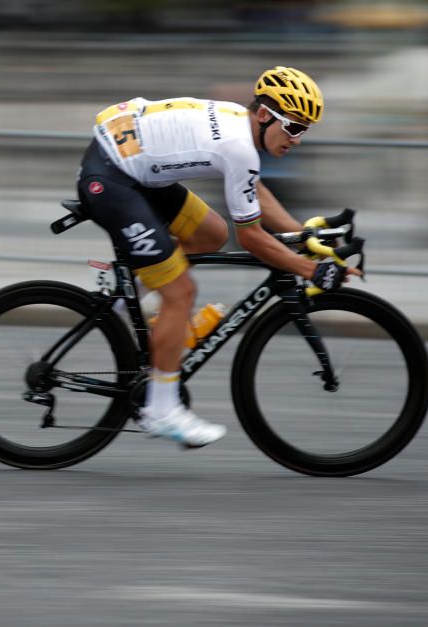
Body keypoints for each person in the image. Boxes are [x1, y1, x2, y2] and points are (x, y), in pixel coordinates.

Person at [76, 66, 358, 448]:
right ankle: (161, 409)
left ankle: (132, 301)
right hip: (111, 178)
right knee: (181, 293)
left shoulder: (239, 127)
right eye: (293, 127)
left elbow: (252, 189)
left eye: (304, 130)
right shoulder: (239, 146)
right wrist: (311, 270)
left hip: (131, 165)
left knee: (211, 233)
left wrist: (303, 236)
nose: (298, 139)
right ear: (263, 115)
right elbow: (254, 238)